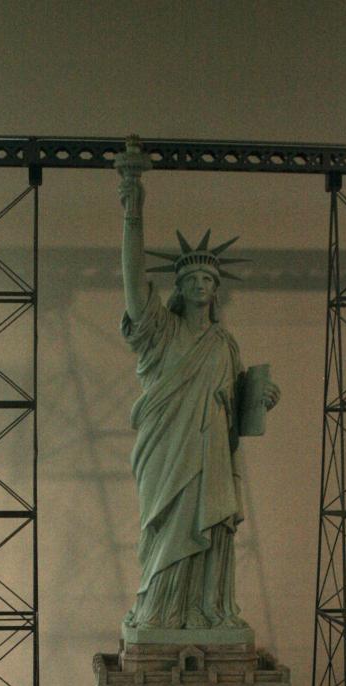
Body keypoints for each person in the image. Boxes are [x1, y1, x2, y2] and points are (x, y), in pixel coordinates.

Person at [118, 164, 278, 631]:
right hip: (167, 450)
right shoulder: (161, 332)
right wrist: (133, 209)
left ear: (216, 289)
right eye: (192, 280)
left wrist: (262, 396)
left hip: (210, 454)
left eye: (209, 280)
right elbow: (132, 284)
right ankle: (159, 610)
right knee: (165, 528)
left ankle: (209, 608)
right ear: (179, 287)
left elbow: (237, 405)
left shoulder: (224, 344)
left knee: (212, 528)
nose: (201, 286)